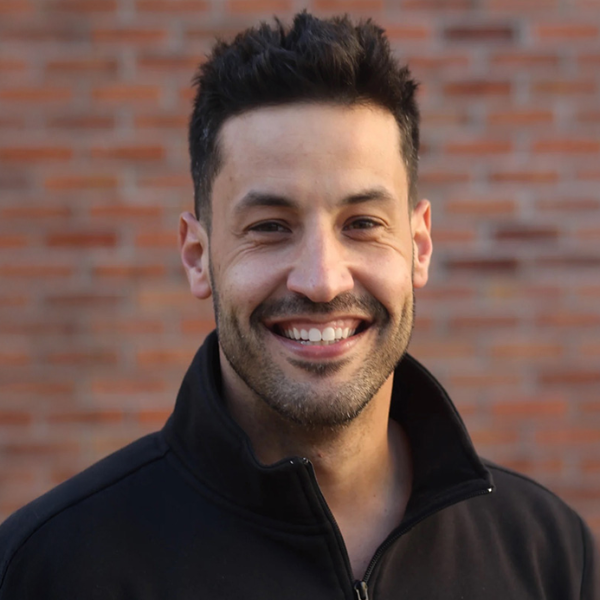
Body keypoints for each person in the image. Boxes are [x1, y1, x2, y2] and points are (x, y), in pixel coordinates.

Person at [0, 11, 597, 600]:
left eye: (363, 223)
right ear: (197, 256)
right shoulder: (52, 570)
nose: (321, 281)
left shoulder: (548, 558)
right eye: (270, 227)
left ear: (418, 246)